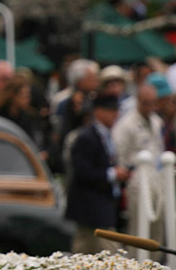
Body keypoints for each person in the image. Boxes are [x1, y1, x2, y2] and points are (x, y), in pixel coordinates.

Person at [65, 93, 130, 254]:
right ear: (98, 112)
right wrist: (112, 174)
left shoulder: (106, 136)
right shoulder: (87, 137)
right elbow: (82, 172)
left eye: (116, 111)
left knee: (84, 248)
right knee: (111, 250)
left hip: (101, 204)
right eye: (110, 110)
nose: (115, 115)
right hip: (91, 205)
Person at [112, 82, 166, 246]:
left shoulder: (157, 121)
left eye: (153, 103)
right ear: (138, 101)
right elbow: (119, 155)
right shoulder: (126, 125)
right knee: (139, 229)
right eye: (146, 103)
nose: (150, 107)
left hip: (158, 178)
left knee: (158, 229)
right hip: (137, 180)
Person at [0, 74, 43, 146]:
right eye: (24, 95)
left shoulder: (28, 117)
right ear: (13, 96)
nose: (28, 99)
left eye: (28, 95)